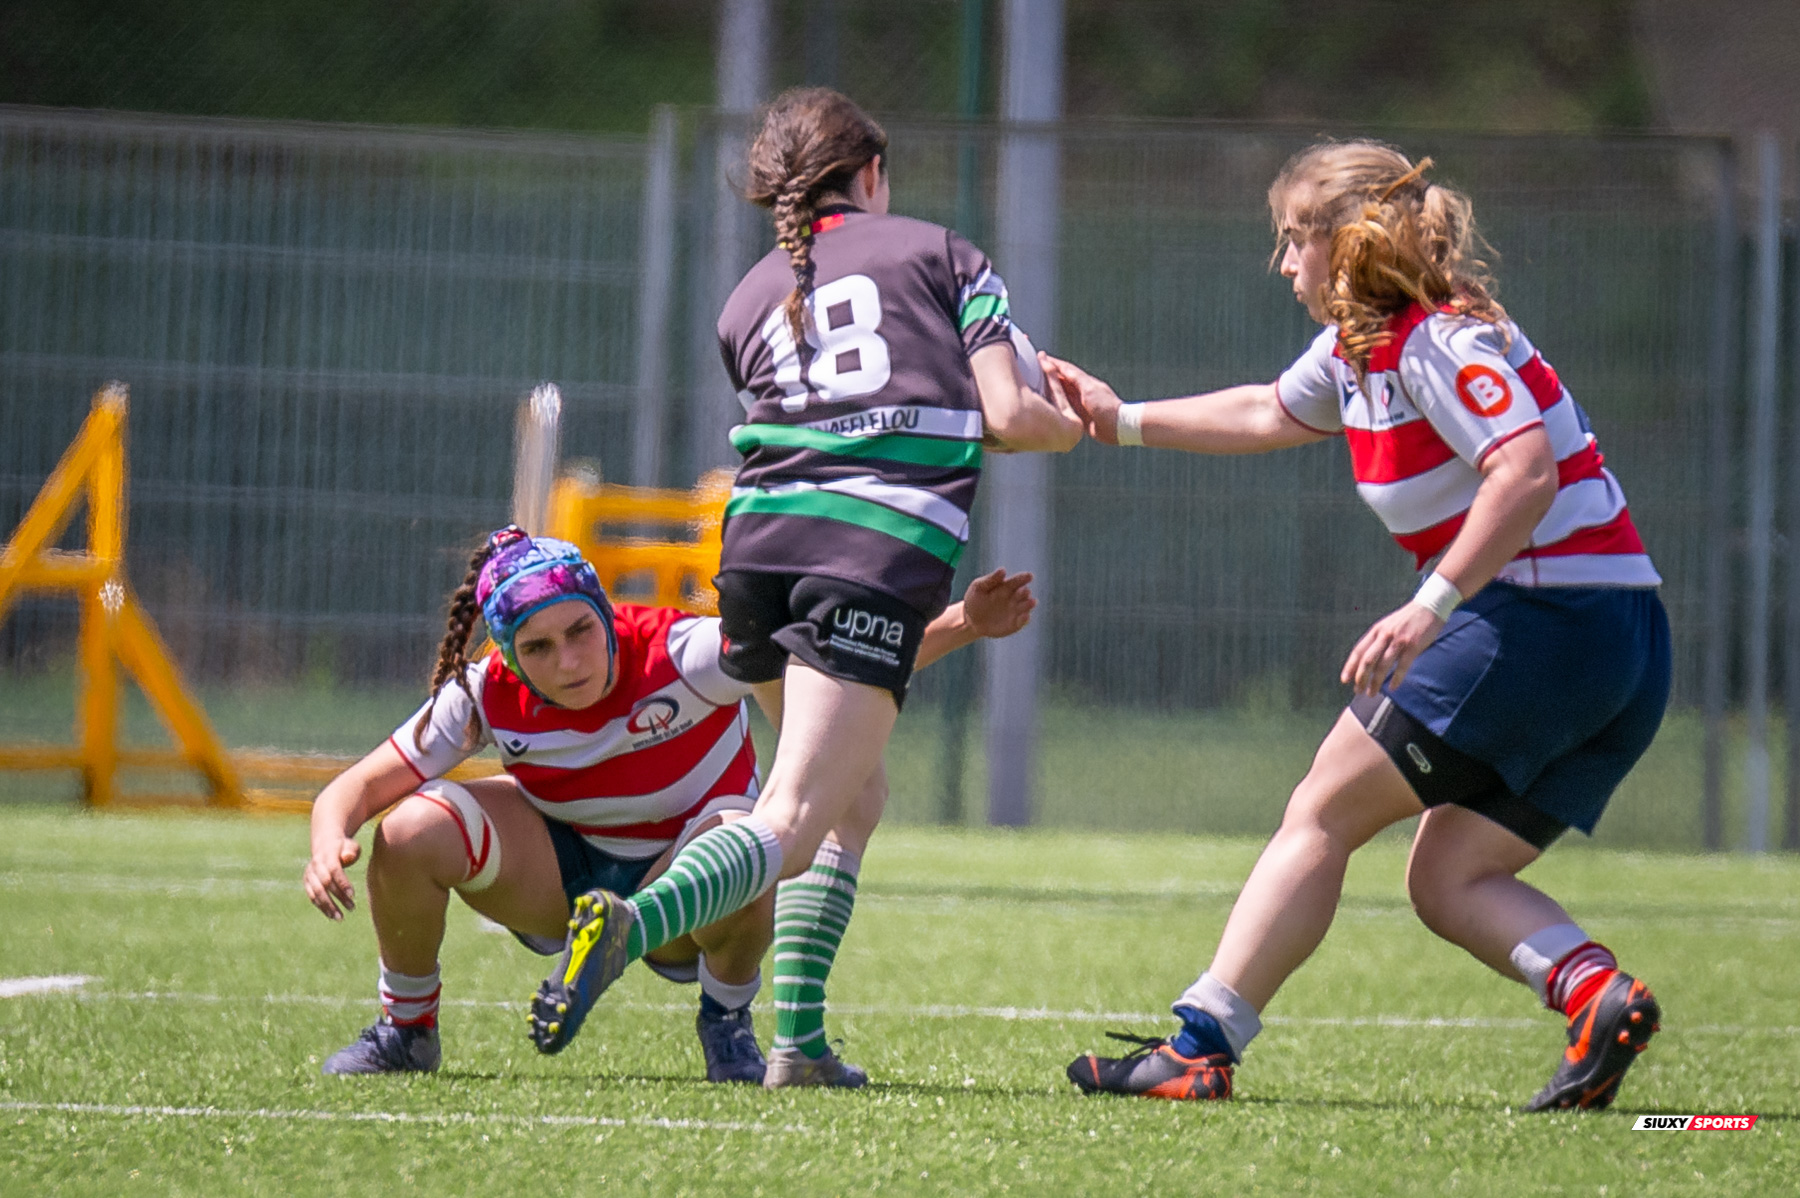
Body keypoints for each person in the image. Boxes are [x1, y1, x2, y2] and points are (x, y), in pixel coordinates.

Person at [1048, 140, 1668, 1111]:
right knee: (1448, 873)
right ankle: (1598, 995)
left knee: (1322, 809)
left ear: (1350, 243)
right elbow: (1265, 410)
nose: (1283, 262)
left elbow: (1525, 470)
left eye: (1295, 239)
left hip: (1550, 622)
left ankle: (1200, 1045)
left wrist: (1429, 607)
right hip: (1612, 639)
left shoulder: (1438, 341)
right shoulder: (1360, 350)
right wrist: (1117, 418)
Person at [524, 86, 1085, 1089]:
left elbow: (843, 414)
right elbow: (1008, 412)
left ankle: (802, 1045)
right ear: (871, 173)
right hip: (868, 552)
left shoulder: (744, 300)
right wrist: (1072, 417)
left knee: (852, 796)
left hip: (753, 557)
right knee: (787, 812)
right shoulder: (946, 254)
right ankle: (630, 925)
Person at [304, 525, 1035, 1081]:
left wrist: (965, 623)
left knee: (749, 837)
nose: (569, 660)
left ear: (603, 609)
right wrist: (328, 838)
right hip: (558, 883)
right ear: (507, 650)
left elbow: (836, 672)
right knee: (408, 829)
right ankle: (407, 1030)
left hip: (687, 886)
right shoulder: (486, 692)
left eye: (580, 631)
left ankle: (726, 1022)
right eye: (539, 647)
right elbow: (355, 789)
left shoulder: (684, 654)